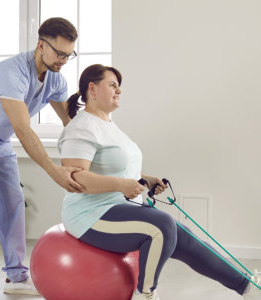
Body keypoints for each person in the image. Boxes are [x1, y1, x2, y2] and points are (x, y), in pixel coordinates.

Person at [58, 64, 261, 300]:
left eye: (119, 86)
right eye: (112, 85)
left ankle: (248, 288)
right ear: (92, 89)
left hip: (120, 206)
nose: (119, 91)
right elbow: (75, 178)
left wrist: (145, 178)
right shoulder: (80, 128)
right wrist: (120, 185)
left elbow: (116, 166)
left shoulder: (108, 125)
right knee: (162, 225)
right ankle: (145, 294)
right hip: (90, 215)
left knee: (184, 236)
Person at [0, 17, 83, 300]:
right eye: (59, 53)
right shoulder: (12, 72)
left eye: (69, 54)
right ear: (40, 46)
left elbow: (69, 121)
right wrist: (54, 172)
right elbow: (22, 129)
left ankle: (17, 276)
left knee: (12, 202)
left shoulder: (56, 78)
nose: (63, 60)